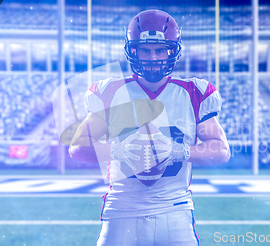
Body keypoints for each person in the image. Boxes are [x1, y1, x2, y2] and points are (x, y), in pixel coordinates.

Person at [69, 9, 230, 246]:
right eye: (145, 50)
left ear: (172, 50)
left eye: (160, 50)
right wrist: (114, 150)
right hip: (122, 208)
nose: (153, 58)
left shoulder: (194, 93)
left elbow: (221, 151)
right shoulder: (109, 92)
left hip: (174, 209)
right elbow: (77, 147)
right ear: (133, 50)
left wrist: (181, 151)